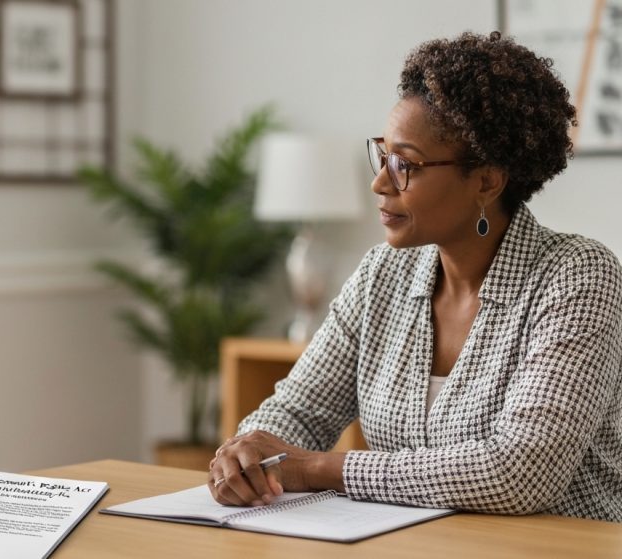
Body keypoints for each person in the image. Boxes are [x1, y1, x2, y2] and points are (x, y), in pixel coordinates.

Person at [209, 31, 622, 522]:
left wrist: (320, 468)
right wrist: (248, 455)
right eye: (383, 155)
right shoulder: (381, 275)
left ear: (487, 181)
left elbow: (520, 473)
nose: (380, 182)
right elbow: (299, 413)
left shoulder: (579, 277)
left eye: (406, 164)